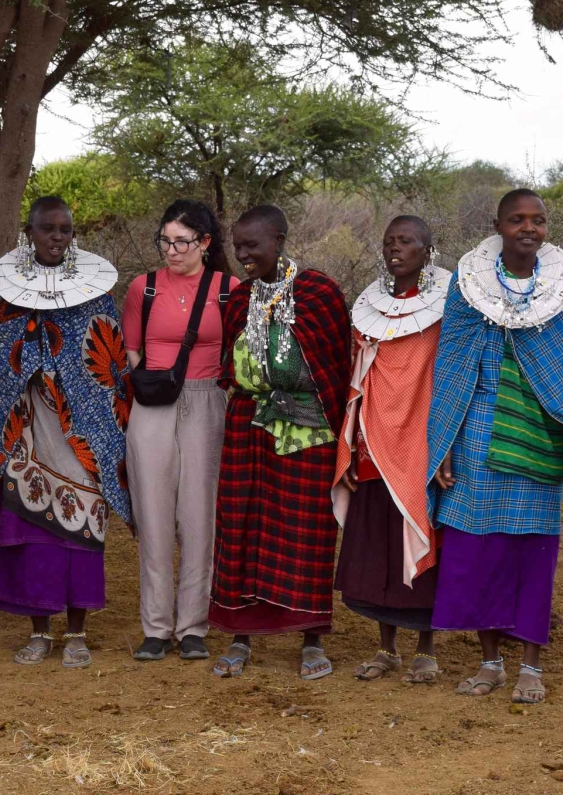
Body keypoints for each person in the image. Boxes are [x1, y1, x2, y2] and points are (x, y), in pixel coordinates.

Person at [427, 189, 563, 705]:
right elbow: (451, 365)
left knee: (532, 554)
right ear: (498, 226)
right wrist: (444, 442)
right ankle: (490, 662)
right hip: (477, 435)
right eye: (517, 219)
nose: (529, 228)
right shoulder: (468, 284)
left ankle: (531, 664)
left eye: (538, 220)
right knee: (480, 550)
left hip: (540, 437)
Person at [0, 196, 131, 669]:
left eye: (65, 230)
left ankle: (77, 632)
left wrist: (68, 381)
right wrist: (28, 366)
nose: (57, 237)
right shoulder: (4, 295)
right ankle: (40, 630)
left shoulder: (96, 295)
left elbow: (109, 366)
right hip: (25, 430)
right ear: (30, 232)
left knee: (83, 530)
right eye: (48, 228)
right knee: (33, 535)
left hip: (82, 434)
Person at [208, 205, 350, 680]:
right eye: (238, 246)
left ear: (280, 240)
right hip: (247, 423)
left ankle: (311, 638)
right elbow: (231, 362)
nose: (244, 255)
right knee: (241, 524)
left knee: (304, 530)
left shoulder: (319, 291)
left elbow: (336, 365)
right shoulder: (238, 298)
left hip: (308, 427)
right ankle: (240, 635)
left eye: (253, 245)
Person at [333, 216, 450, 684]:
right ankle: (386, 648)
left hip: (421, 436)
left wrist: (447, 441)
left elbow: (448, 372)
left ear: (428, 250)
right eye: (388, 242)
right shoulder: (370, 308)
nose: (395, 249)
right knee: (379, 544)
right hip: (372, 437)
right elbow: (357, 375)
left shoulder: (448, 306)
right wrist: (350, 442)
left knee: (418, 532)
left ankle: (426, 648)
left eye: (406, 241)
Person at [122, 200, 235, 662]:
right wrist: (151, 384)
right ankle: (155, 627)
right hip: (152, 404)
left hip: (207, 402)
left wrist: (210, 390)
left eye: (182, 242)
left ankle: (192, 627)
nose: (171, 250)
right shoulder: (143, 287)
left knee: (198, 517)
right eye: (165, 241)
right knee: (152, 516)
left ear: (204, 243)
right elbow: (131, 348)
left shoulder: (227, 289)